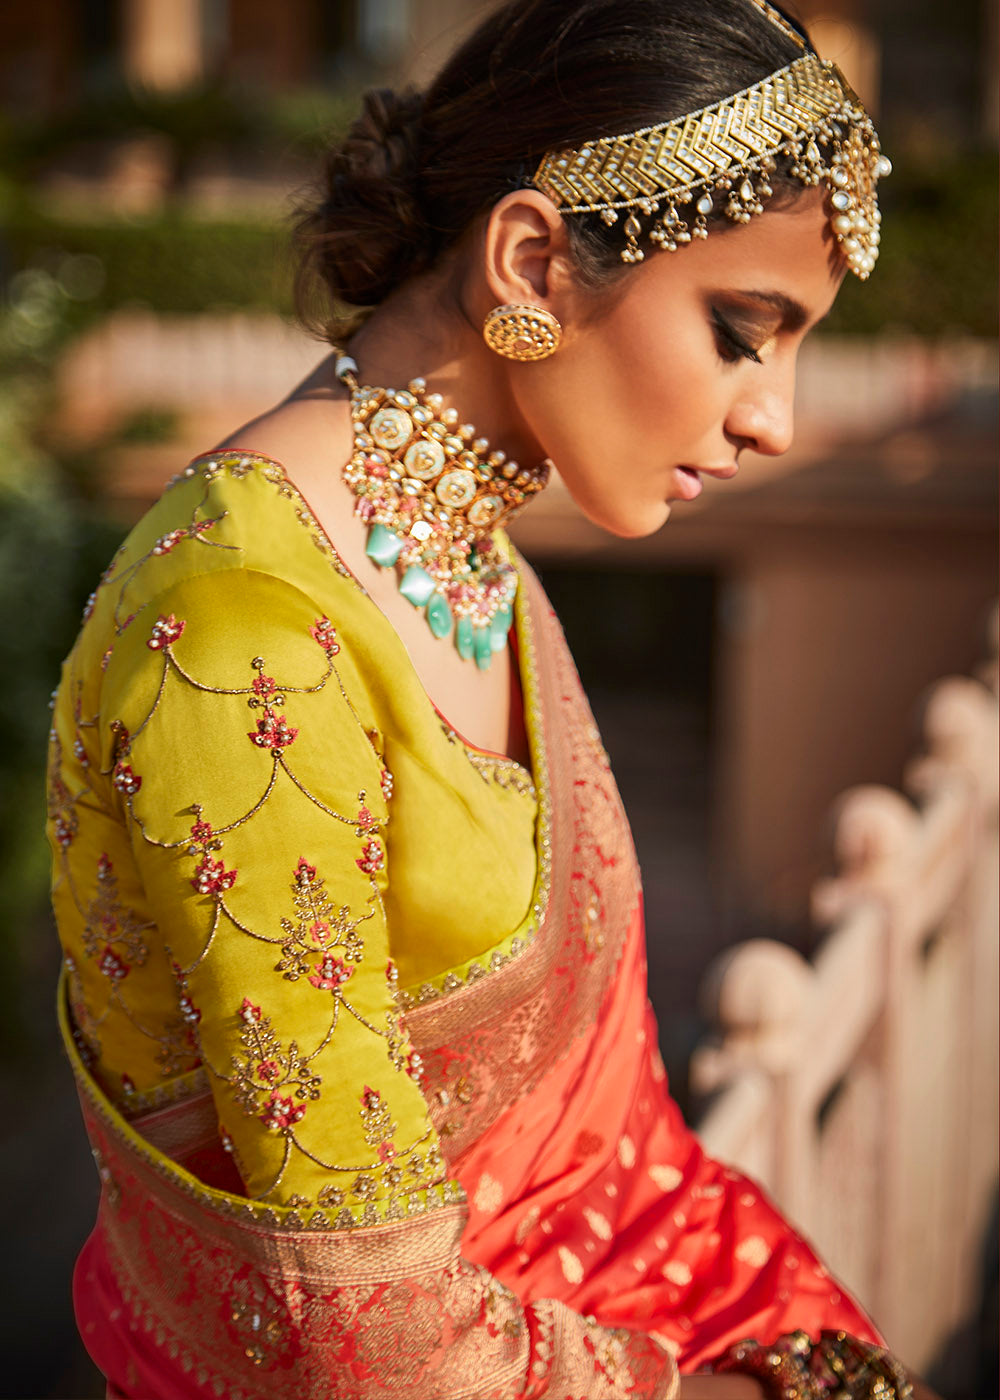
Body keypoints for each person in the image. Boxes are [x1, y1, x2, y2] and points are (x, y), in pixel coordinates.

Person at [47, 1, 940, 1396]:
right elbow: (366, 1326)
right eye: (742, 332)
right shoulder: (240, 633)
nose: (772, 417)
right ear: (531, 259)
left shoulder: (477, 563)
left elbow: (605, 1148)